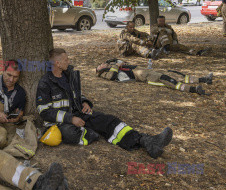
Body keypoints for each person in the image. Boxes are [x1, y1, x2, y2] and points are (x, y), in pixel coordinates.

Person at [36, 48, 173, 159]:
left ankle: (147, 141)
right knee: (70, 133)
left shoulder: (69, 76)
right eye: (66, 60)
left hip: (78, 114)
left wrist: (84, 102)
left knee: (109, 120)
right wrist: (70, 119)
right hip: (61, 122)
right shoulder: (45, 83)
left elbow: (77, 94)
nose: (69, 61)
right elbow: (44, 111)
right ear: (58, 64)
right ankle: (92, 133)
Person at [96, 59, 213, 95]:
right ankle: (194, 90)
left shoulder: (111, 65)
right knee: (167, 80)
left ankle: (203, 79)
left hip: (140, 69)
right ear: (100, 70)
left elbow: (120, 62)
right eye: (100, 65)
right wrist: (116, 66)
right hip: (140, 75)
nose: (102, 64)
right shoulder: (105, 73)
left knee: (172, 74)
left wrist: (116, 63)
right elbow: (112, 76)